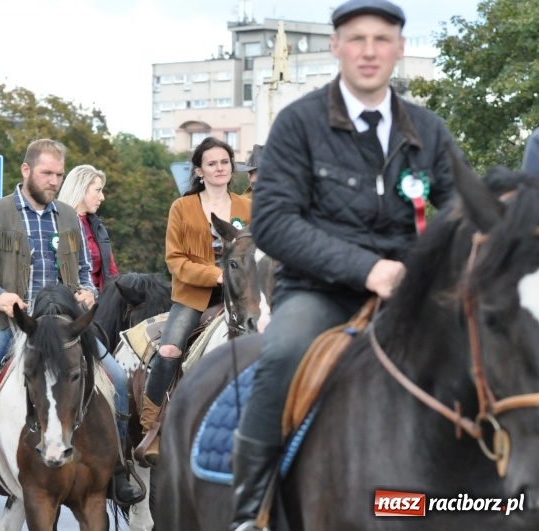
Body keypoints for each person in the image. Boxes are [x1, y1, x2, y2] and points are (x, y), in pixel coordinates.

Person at [229, 1, 461, 528]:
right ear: (336, 47)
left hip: (414, 294)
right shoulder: (298, 124)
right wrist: (368, 270)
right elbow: (273, 223)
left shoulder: (429, 130)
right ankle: (250, 513)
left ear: (400, 49)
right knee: (282, 354)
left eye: (383, 39)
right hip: (318, 292)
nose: (370, 50)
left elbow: (463, 211)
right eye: (356, 39)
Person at [0, 139, 142, 505]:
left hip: (63, 327)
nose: (53, 180)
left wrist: (85, 291)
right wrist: (0, 296)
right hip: (9, 323)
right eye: (46, 173)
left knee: (117, 378)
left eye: (58, 174)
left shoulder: (68, 216)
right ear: (26, 170)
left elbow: (83, 270)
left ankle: (118, 467)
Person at [138, 137, 252, 465]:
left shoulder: (247, 208)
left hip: (242, 294)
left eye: (225, 162)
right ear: (200, 170)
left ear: (232, 168)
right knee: (170, 348)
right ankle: (152, 427)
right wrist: (215, 275)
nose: (219, 168)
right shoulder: (182, 208)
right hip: (194, 295)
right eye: (212, 163)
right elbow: (175, 261)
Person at [57, 165, 119, 291]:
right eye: (98, 190)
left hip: (99, 303)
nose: (102, 197)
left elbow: (111, 271)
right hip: (65, 302)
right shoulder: (55, 223)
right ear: (81, 189)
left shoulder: (98, 227)